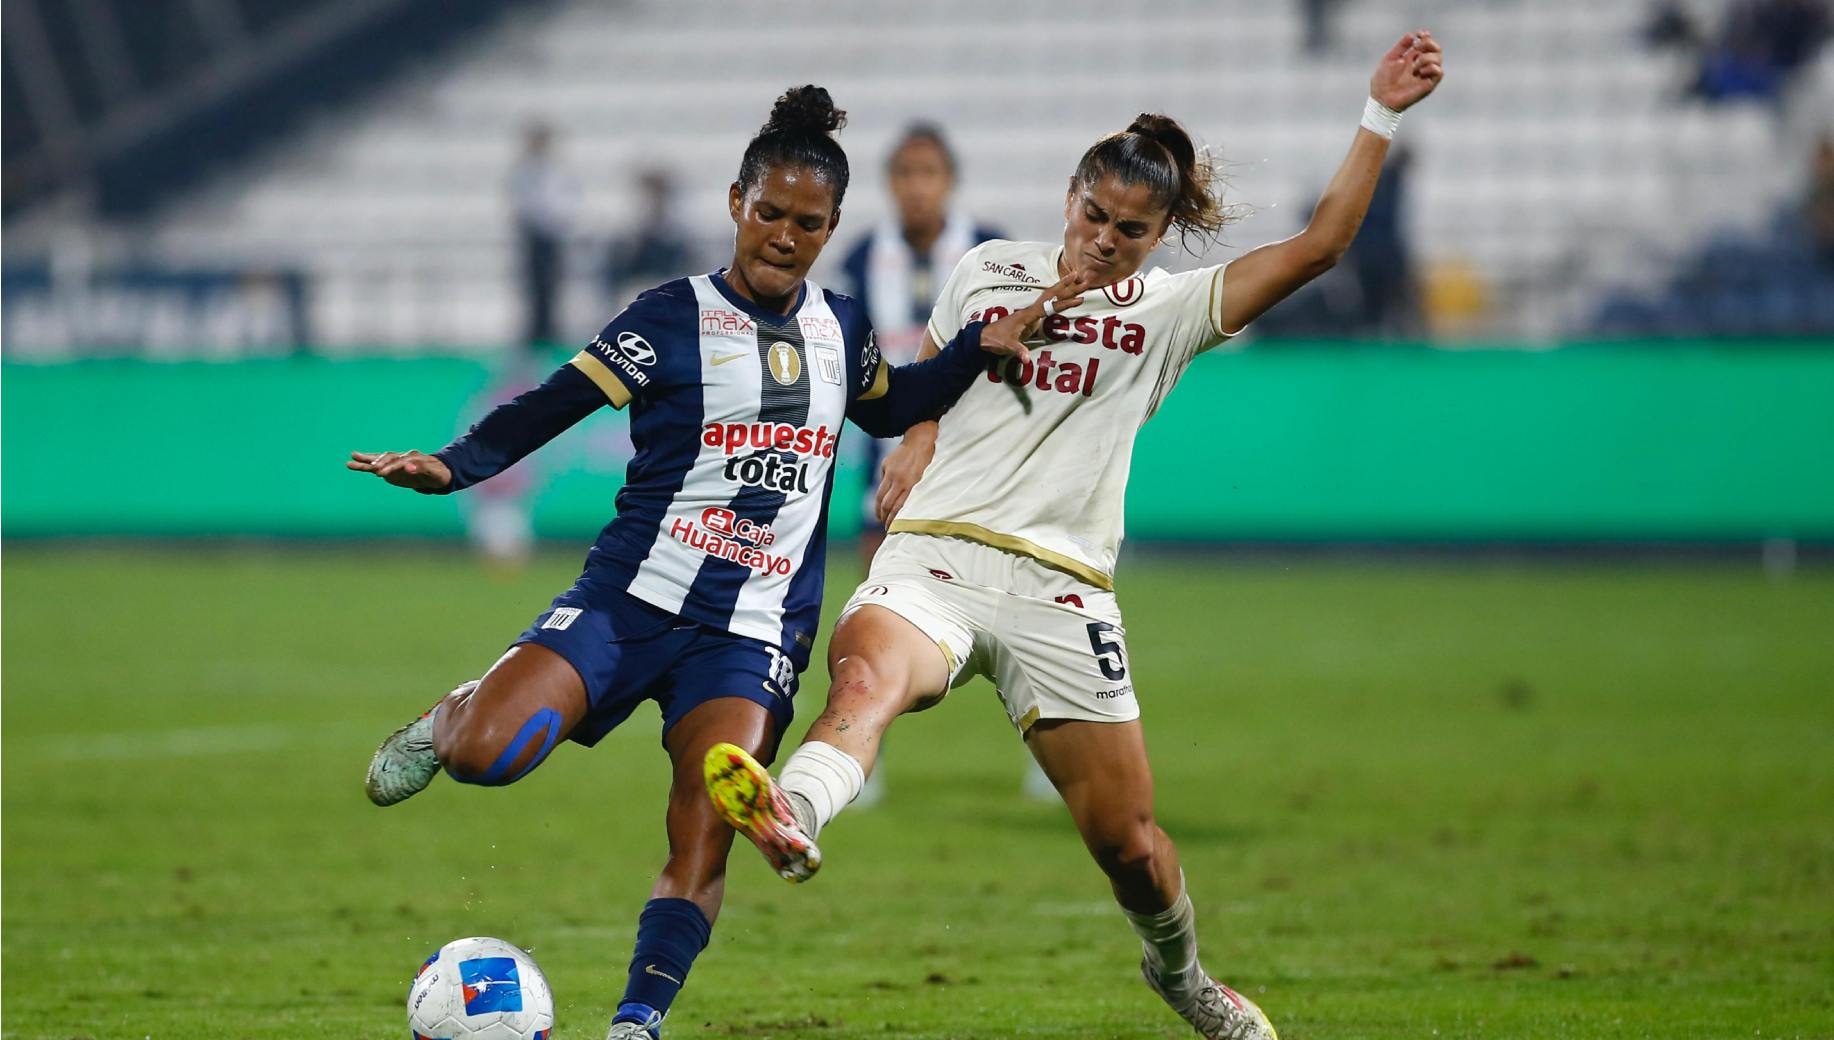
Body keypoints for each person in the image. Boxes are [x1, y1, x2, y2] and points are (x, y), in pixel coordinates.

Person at [706, 33, 1445, 1040]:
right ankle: (791, 808)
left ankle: (1181, 972)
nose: (1104, 237)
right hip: (938, 553)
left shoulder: (1174, 310)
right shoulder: (987, 268)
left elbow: (1319, 246)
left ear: (1158, 234)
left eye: (1130, 229)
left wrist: (1379, 114)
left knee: (1131, 847)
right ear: (1068, 197)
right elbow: (934, 367)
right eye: (1093, 214)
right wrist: (916, 439)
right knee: (866, 682)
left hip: (1062, 587)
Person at [349, 86, 1076, 1040]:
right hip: (628, 602)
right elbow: (558, 401)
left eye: (807, 223)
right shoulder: (669, 317)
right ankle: (452, 715)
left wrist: (982, 349)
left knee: (706, 822)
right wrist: (456, 467)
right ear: (737, 201)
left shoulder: (843, 327)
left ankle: (637, 1021)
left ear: (832, 228)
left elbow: (894, 405)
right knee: (490, 756)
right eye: (769, 211)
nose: (783, 234)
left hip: (752, 631)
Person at [834, 123, 1021, 807]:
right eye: (906, 173)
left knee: (1012, 615)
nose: (917, 186)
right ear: (891, 183)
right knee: (872, 617)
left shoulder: (988, 251)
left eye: (929, 172)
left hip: (978, 467)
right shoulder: (860, 259)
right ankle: (860, 758)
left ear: (949, 181)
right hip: (888, 468)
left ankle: (1052, 745)